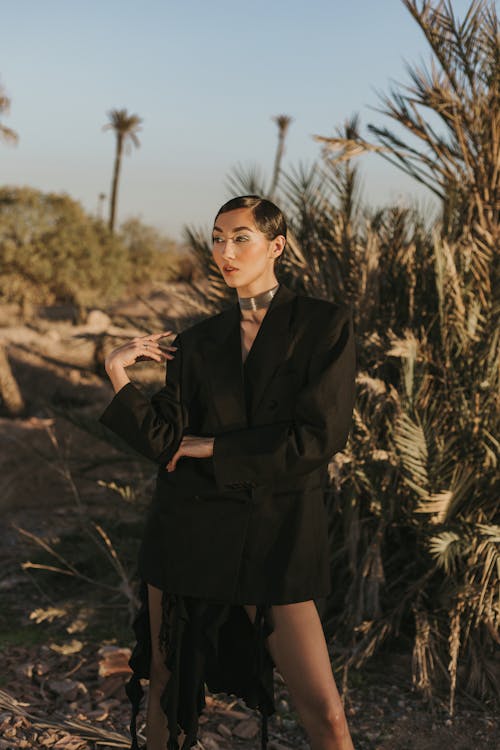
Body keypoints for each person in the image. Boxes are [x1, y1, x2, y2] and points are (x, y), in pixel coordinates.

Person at [99, 195, 357, 750]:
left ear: (277, 245)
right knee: (168, 689)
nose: (226, 250)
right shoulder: (197, 341)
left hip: (276, 532)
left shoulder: (322, 325)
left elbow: (318, 437)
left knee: (325, 713)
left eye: (241, 237)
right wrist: (118, 375)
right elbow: (168, 444)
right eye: (218, 238)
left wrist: (214, 448)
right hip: (189, 531)